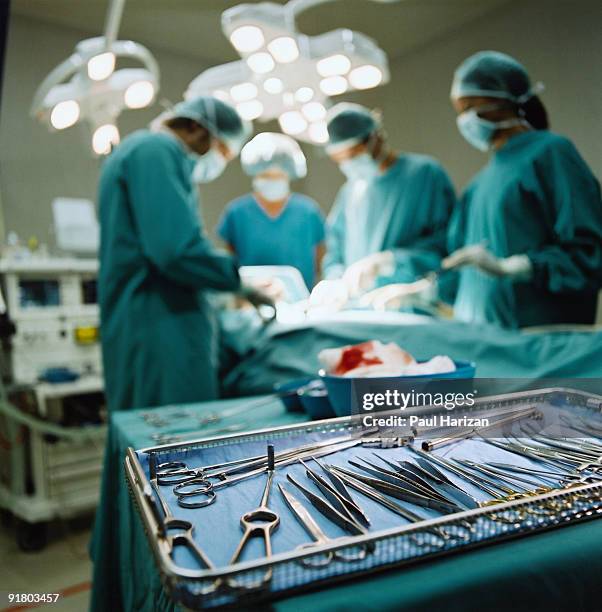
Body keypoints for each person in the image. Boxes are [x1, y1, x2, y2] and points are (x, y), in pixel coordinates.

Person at [365, 51, 602, 329]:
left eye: (471, 108)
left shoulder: (550, 153)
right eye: (460, 111)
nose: (465, 120)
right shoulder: (477, 187)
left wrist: (516, 267)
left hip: (541, 346)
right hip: (485, 346)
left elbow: (590, 253)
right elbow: (461, 271)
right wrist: (422, 292)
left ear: (504, 101)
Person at [98, 96, 253, 412]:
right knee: (172, 445)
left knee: (144, 443)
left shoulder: (137, 152)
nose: (219, 162)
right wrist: (236, 280)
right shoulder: (156, 150)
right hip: (161, 330)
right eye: (222, 150)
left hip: (145, 324)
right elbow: (175, 252)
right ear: (197, 129)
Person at [315, 103, 456, 301]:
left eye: (354, 153)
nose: (348, 162)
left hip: (410, 304)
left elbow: (446, 245)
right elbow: (334, 248)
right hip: (358, 308)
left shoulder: (424, 175)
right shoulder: (350, 191)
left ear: (376, 137)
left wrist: (391, 261)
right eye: (339, 158)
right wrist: (335, 280)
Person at [217, 132, 325, 289]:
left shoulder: (308, 211)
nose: (272, 181)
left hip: (300, 297)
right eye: (266, 175)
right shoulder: (237, 212)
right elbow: (229, 258)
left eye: (278, 175)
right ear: (255, 175)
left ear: (289, 175)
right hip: (252, 295)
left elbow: (320, 257)